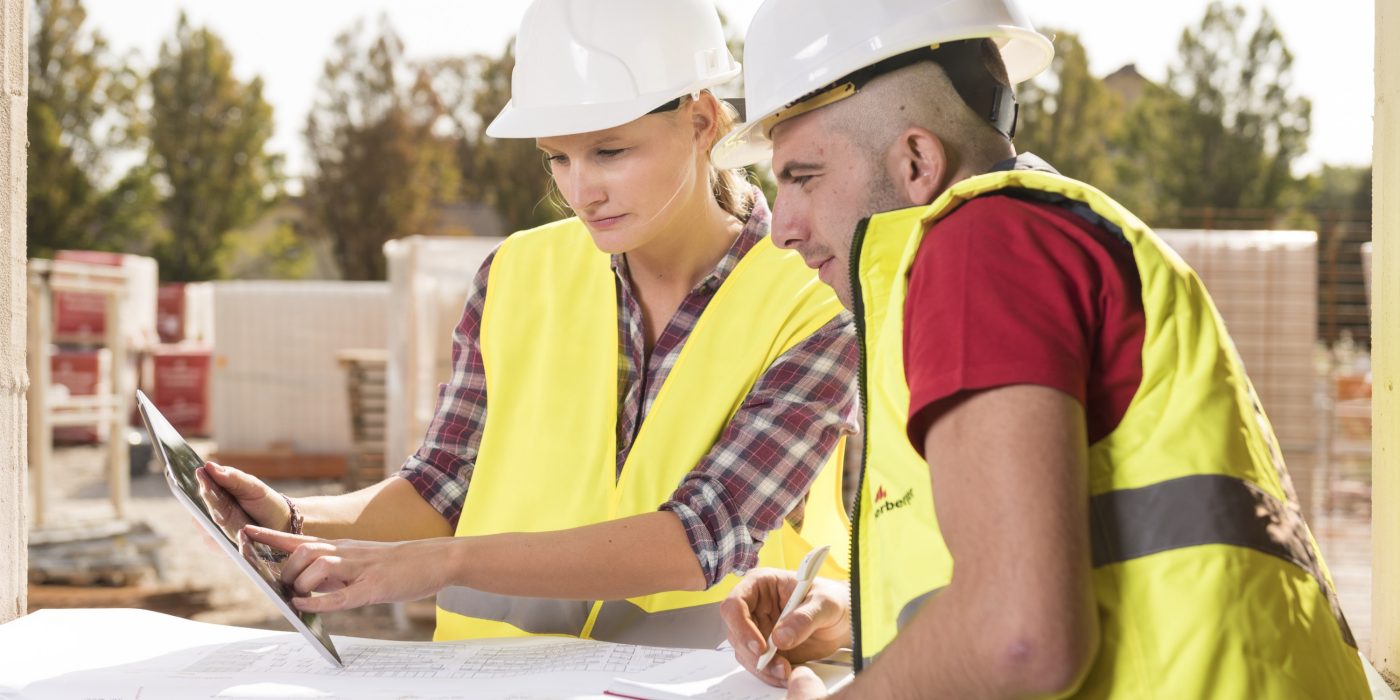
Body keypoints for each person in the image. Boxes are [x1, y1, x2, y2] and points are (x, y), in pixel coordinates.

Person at [711, 0, 1371, 696]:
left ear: (916, 160)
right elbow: (1091, 556)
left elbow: (1018, 637)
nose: (780, 226)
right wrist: (859, 613)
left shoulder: (984, 246)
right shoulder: (1051, 231)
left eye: (802, 176)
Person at [209, 0, 857, 649]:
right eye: (558, 158)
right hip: (480, 684)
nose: (581, 192)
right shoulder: (515, 274)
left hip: (693, 685)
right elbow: (440, 488)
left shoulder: (818, 302)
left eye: (609, 151)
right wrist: (295, 519)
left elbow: (705, 536)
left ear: (701, 120)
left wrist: (441, 564)